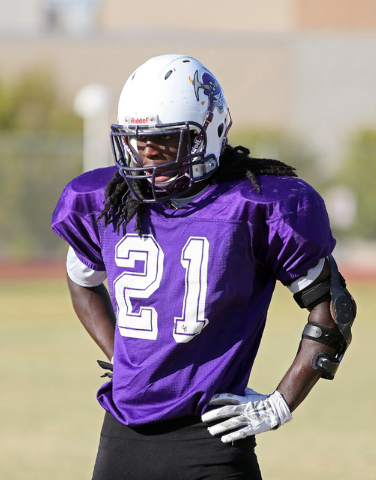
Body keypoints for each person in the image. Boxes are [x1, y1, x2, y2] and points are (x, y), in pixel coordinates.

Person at [51, 54, 356, 480]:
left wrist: (281, 402)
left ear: (209, 134)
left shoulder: (257, 204)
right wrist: (124, 358)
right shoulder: (106, 202)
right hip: (123, 433)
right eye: (139, 143)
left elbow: (334, 310)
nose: (148, 157)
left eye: (164, 143)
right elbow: (81, 281)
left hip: (211, 438)